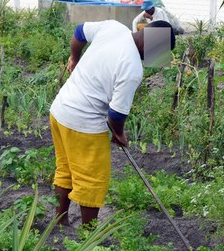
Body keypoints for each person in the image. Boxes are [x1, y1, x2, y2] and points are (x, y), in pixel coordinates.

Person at [50, 19, 175, 227]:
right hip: (83, 123)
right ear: (153, 43)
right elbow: (116, 114)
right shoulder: (132, 68)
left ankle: (59, 220)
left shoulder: (114, 27)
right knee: (93, 181)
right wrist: (119, 134)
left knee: (65, 169)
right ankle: (87, 239)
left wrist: (74, 57)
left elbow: (79, 32)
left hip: (60, 110)